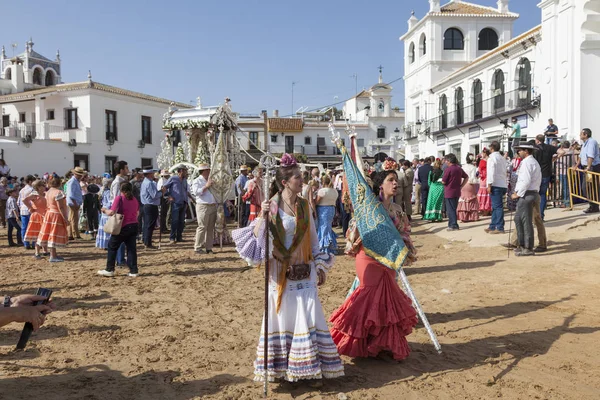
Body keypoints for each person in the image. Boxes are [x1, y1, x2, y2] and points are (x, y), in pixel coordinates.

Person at [231, 153, 343, 383]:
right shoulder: (271, 206)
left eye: (301, 177)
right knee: (284, 316)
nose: (302, 181)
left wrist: (320, 266)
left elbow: (313, 238)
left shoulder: (303, 205)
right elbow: (257, 239)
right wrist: (262, 216)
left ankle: (310, 366)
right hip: (279, 272)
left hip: (305, 270)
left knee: (307, 314)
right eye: (297, 178)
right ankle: (282, 367)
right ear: (285, 182)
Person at [330, 166, 417, 361]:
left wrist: (402, 243)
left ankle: (382, 344)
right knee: (367, 296)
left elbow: (404, 232)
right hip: (369, 258)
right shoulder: (369, 208)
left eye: (396, 180)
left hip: (389, 260)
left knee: (388, 300)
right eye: (390, 180)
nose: (395, 183)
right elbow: (353, 232)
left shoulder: (397, 209)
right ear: (380, 186)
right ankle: (356, 341)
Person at [97, 182, 140, 277]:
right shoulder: (134, 200)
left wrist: (104, 210)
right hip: (133, 225)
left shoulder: (119, 198)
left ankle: (110, 269)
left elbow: (112, 212)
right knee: (131, 249)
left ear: (121, 190)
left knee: (112, 246)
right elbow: (137, 213)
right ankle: (133, 270)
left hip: (123, 226)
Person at [510, 143, 542, 257]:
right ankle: (522, 245)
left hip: (527, 194)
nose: (518, 152)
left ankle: (528, 247)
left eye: (520, 150)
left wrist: (517, 194)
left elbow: (526, 181)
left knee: (525, 221)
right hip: (530, 193)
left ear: (526, 151)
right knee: (518, 219)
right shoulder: (531, 162)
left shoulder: (528, 162)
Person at [37, 176, 69, 262]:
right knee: (53, 234)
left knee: (50, 234)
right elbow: (61, 207)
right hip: (56, 215)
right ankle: (53, 256)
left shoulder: (48, 192)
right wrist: (65, 218)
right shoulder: (59, 192)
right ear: (59, 183)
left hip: (49, 214)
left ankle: (53, 254)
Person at [191, 164, 217, 255]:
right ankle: (197, 247)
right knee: (202, 227)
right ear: (204, 171)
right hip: (203, 206)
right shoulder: (197, 181)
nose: (209, 172)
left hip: (212, 205)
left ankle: (209, 248)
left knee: (210, 228)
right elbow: (196, 192)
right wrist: (206, 186)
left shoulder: (210, 180)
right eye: (208, 170)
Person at [485, 141, 508, 233]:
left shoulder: (492, 158)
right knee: (495, 206)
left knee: (497, 207)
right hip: (502, 183)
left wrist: (489, 184)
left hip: (495, 184)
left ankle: (499, 227)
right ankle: (493, 225)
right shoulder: (502, 158)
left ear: (492, 148)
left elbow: (491, 172)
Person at [534, 134, 558, 220]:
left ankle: (536, 215)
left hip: (536, 174)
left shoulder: (535, 148)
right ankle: (541, 215)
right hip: (546, 173)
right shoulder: (549, 147)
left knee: (535, 194)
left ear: (537, 140)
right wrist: (553, 159)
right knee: (543, 194)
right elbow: (562, 151)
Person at [22, 180, 48, 259]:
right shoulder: (34, 194)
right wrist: (30, 207)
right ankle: (37, 252)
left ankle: (45, 250)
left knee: (45, 233)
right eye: (43, 186)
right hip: (37, 215)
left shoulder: (45, 194)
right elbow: (24, 200)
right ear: (39, 187)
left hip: (44, 214)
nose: (44, 187)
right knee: (37, 234)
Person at [442, 154, 468, 231]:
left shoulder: (448, 169)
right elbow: (466, 177)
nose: (445, 162)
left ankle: (453, 225)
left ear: (449, 161)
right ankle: (452, 224)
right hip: (457, 191)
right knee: (453, 208)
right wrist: (461, 185)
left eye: (446, 160)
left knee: (450, 209)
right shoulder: (459, 168)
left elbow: (443, 181)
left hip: (449, 191)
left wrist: (442, 181)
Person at [163, 166, 189, 244]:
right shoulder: (173, 178)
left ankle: (179, 237)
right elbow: (164, 187)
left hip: (183, 202)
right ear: (180, 171)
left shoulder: (185, 180)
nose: (186, 172)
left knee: (181, 221)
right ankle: (172, 237)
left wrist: (187, 201)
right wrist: (168, 196)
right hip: (176, 203)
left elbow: (185, 191)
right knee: (174, 221)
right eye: (184, 171)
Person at [140, 168, 164, 249]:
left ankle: (146, 240)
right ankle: (148, 242)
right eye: (152, 173)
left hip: (146, 205)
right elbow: (154, 195)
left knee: (147, 224)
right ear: (149, 174)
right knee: (150, 225)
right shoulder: (149, 183)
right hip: (151, 205)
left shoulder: (145, 182)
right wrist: (162, 192)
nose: (153, 174)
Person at [315, 175, 338, 254]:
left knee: (323, 227)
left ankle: (324, 247)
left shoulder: (322, 191)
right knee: (327, 227)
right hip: (332, 209)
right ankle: (329, 246)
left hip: (323, 209)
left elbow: (317, 202)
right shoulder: (334, 191)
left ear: (323, 182)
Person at [579, 128, 600, 213]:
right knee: (588, 188)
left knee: (590, 187)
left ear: (585, 135)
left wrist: (588, 167)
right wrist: (576, 166)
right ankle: (593, 206)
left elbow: (590, 156)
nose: (580, 135)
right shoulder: (584, 144)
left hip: (592, 167)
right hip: (587, 167)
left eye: (581, 134)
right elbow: (581, 156)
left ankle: (594, 206)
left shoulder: (591, 142)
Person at [457, 154, 480, 222]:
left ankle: (463, 217)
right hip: (470, 184)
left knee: (463, 199)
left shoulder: (462, 166)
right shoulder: (473, 167)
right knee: (471, 199)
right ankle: (472, 216)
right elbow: (473, 178)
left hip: (463, 184)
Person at [66, 167, 86, 240]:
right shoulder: (72, 181)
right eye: (79, 175)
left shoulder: (75, 181)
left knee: (72, 218)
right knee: (74, 219)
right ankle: (75, 234)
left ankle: (70, 234)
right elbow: (71, 194)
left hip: (75, 202)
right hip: (73, 203)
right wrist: (75, 203)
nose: (81, 176)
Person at [96, 178, 115, 250]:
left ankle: (103, 244)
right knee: (108, 228)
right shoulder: (108, 192)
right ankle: (107, 244)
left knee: (104, 228)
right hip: (107, 210)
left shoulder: (103, 191)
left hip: (104, 210)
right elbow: (109, 202)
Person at [17, 175, 35, 249]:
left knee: (24, 228)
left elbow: (18, 202)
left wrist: (21, 208)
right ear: (30, 181)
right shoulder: (32, 190)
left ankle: (26, 243)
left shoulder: (22, 190)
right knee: (33, 227)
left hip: (23, 211)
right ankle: (34, 243)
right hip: (31, 210)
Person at [555, 141, 574, 208]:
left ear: (562, 146)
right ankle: (567, 201)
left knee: (564, 188)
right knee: (567, 187)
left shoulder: (561, 153)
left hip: (562, 171)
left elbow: (557, 162)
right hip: (569, 171)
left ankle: (566, 202)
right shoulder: (571, 152)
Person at [477, 149, 492, 215]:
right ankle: (488, 209)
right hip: (489, 177)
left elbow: (479, 170)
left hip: (484, 178)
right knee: (488, 193)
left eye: (482, 153)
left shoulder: (482, 161)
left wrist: (480, 175)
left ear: (485, 153)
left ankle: (483, 209)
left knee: (483, 192)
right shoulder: (490, 159)